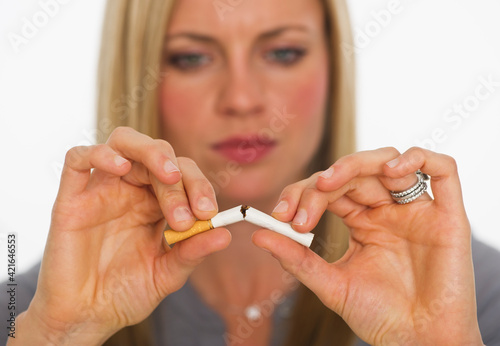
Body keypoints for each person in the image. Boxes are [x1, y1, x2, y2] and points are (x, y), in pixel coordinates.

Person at [3, 0, 500, 345]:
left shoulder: (473, 296)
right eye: (192, 58)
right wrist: (54, 337)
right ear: (141, 73)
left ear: (332, 66)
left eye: (282, 52)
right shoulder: (25, 310)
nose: (241, 98)